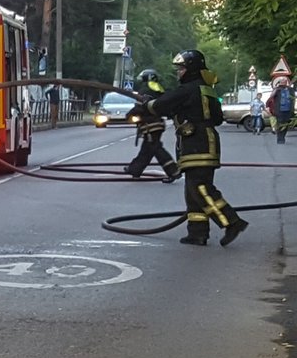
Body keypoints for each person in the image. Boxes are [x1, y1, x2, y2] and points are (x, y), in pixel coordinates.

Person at [130, 49, 249, 246]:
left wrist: (147, 104)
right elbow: (217, 118)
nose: (179, 72)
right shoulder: (206, 89)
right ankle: (197, 233)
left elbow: (161, 105)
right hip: (205, 141)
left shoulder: (188, 89)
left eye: (182, 68)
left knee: (200, 188)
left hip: (197, 143)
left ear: (191, 69)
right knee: (192, 191)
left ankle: (232, 222)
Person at [125, 68, 180, 182]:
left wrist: (129, 115)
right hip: (156, 123)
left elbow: (139, 107)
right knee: (147, 149)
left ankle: (173, 171)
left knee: (156, 149)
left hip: (150, 125)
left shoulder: (146, 89)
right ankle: (135, 169)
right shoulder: (157, 88)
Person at [269, 77, 295, 144]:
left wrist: (292, 109)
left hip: (288, 110)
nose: (283, 83)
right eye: (282, 82)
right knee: (280, 124)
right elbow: (271, 97)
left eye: (284, 81)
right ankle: (280, 138)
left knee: (285, 125)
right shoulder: (277, 90)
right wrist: (276, 89)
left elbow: (293, 99)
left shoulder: (290, 89)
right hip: (279, 110)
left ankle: (283, 137)